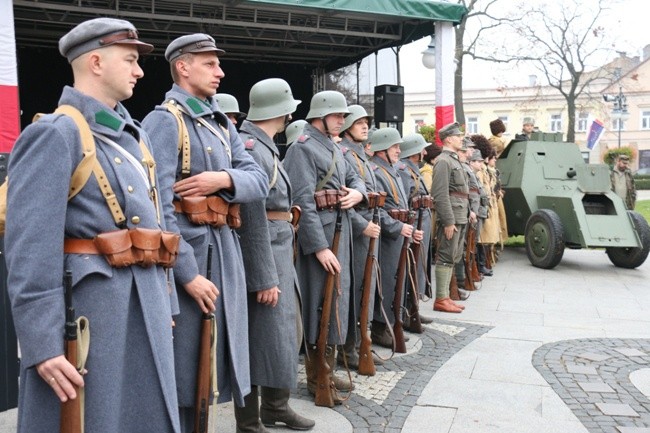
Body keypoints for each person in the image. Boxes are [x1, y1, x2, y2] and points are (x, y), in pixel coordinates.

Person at [5, 18, 181, 432]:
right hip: (89, 321)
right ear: (97, 62)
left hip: (144, 308)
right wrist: (43, 345)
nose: (139, 71)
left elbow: (155, 230)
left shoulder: (135, 138)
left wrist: (165, 302)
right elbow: (30, 248)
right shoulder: (56, 133)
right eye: (131, 59)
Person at [142, 33, 269, 432]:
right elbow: (156, 207)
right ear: (183, 66)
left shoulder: (218, 123)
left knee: (211, 372)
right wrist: (186, 273)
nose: (220, 71)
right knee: (185, 371)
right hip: (191, 256)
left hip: (224, 250)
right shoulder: (165, 121)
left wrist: (220, 178)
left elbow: (258, 179)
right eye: (210, 63)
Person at [235, 78, 315, 432]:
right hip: (266, 250)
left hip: (279, 246)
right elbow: (252, 216)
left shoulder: (265, 145)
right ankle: (250, 422)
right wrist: (263, 276)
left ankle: (276, 407)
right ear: (282, 110)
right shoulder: (253, 147)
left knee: (281, 335)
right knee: (259, 340)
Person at [283, 90, 366, 404]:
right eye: (338, 115)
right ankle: (317, 377)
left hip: (339, 233)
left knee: (336, 302)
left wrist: (357, 194)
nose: (342, 121)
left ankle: (326, 371)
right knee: (320, 304)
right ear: (320, 114)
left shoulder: (336, 146)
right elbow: (301, 202)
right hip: (319, 237)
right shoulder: (302, 149)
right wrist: (318, 247)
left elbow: (357, 178)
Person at [337, 105, 381, 368]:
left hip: (368, 228)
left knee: (366, 288)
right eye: (358, 122)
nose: (364, 126)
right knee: (353, 292)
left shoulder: (359, 155)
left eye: (366, 122)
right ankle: (348, 348)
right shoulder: (344, 154)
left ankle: (360, 343)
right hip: (355, 231)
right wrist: (360, 225)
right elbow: (340, 199)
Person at [368, 128, 420, 345]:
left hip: (400, 233)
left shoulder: (393, 171)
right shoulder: (376, 172)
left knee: (398, 279)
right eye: (395, 146)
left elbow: (402, 203)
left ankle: (392, 321)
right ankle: (381, 326)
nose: (399, 150)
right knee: (387, 282)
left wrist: (408, 227)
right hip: (388, 236)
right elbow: (376, 210)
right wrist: (396, 226)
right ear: (382, 149)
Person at [430, 122, 470, 314]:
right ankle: (440, 299)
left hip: (459, 215)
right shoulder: (444, 161)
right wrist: (448, 221)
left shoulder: (454, 160)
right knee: (446, 256)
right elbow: (440, 194)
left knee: (453, 256)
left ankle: (445, 296)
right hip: (452, 217)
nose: (461, 138)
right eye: (458, 136)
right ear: (448, 139)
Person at [396, 134, 435, 315]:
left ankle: (413, 308)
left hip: (421, 221)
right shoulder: (404, 170)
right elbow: (403, 201)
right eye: (422, 149)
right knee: (412, 266)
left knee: (419, 265)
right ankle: (408, 309)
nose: (425, 152)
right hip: (414, 222)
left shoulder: (413, 169)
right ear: (414, 152)